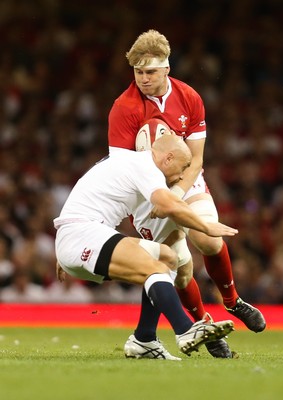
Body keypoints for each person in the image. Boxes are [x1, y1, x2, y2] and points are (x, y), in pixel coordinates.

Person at [108, 29, 266, 359]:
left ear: (167, 68)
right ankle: (204, 325)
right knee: (179, 269)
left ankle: (232, 300)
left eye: (150, 71)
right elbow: (122, 170)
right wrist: (159, 199)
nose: (143, 78)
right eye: (138, 72)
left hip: (185, 180)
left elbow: (196, 160)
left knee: (208, 239)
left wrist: (177, 193)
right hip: (146, 194)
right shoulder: (124, 108)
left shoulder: (189, 97)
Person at [54, 135, 237, 359]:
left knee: (167, 258)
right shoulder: (144, 164)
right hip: (82, 236)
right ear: (168, 158)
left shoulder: (127, 163)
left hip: (81, 237)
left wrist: (66, 248)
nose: (181, 177)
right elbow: (168, 204)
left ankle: (144, 338)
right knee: (155, 269)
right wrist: (205, 227)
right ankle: (185, 330)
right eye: (182, 169)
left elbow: (85, 194)